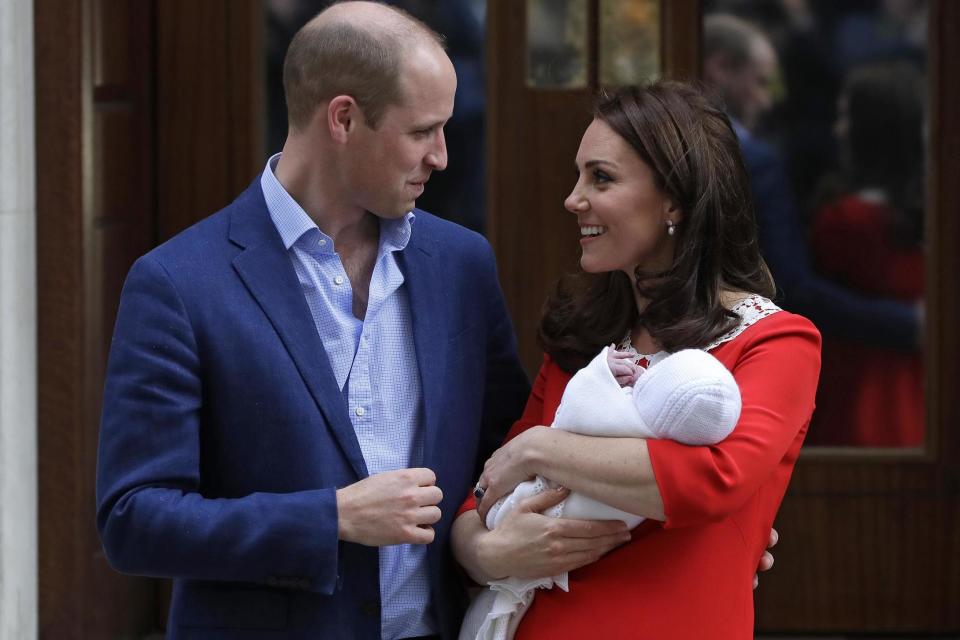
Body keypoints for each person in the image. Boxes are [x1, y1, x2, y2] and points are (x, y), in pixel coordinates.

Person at [95, 3, 533, 638]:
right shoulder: (178, 284)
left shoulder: (461, 264)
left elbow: (501, 456)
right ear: (344, 119)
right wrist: (329, 518)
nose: (441, 155)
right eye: (421, 132)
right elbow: (133, 521)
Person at [451, 81, 821, 639]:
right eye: (579, 176)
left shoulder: (776, 342)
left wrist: (540, 448)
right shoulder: (586, 340)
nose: (573, 199)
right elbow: (483, 493)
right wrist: (486, 553)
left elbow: (714, 481)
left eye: (601, 177)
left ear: (674, 198)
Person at [462, 346, 742, 640]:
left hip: (540, 520)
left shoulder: (623, 417)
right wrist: (487, 552)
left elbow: (577, 407)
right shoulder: (574, 340)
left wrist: (601, 372)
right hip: (544, 598)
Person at [702, 12, 921, 352]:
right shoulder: (757, 162)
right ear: (721, 69)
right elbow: (791, 285)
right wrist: (912, 323)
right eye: (760, 83)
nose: (767, 101)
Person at [806, 62, 925, 446]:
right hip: (925, 391)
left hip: (854, 390)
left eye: (845, 116)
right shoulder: (929, 217)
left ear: (869, 130)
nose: (839, 129)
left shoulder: (845, 221)